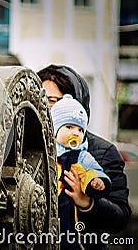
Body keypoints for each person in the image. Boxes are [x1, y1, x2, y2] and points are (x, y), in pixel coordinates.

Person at [38, 64, 131, 249]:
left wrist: (87, 202)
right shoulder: (24, 147)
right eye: (40, 100)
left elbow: (120, 218)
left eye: (52, 100)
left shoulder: (102, 152)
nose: (45, 108)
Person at [51, 94, 112, 249]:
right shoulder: (46, 151)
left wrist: (96, 181)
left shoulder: (81, 155)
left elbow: (93, 169)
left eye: (80, 129)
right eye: (69, 127)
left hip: (68, 208)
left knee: (68, 238)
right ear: (54, 128)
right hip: (44, 207)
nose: (75, 133)